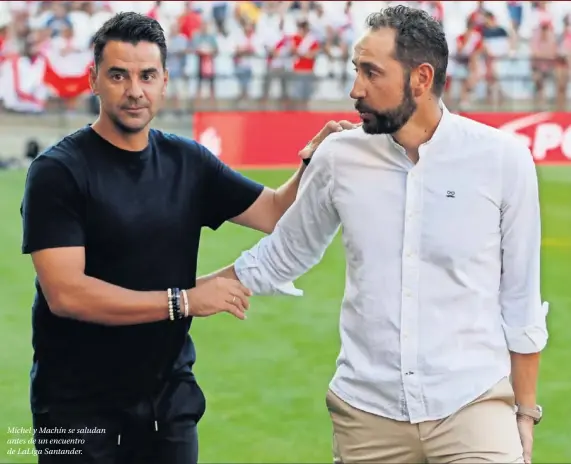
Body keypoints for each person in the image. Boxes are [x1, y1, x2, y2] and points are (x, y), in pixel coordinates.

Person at [207, 6, 549, 464]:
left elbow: (521, 300)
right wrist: (182, 298)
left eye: (371, 73)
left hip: (473, 406)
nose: (355, 90)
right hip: (366, 415)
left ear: (420, 79)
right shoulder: (338, 157)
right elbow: (282, 254)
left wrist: (524, 412)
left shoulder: (504, 160)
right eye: (356, 70)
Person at [20, 12, 353, 464]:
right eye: (118, 75)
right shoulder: (57, 173)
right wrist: (184, 300)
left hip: (166, 401)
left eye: (146, 75)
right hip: (74, 407)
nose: (134, 90)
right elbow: (66, 294)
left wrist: (315, 159)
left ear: (165, 81)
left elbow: (275, 211)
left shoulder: (187, 161)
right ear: (93, 79)